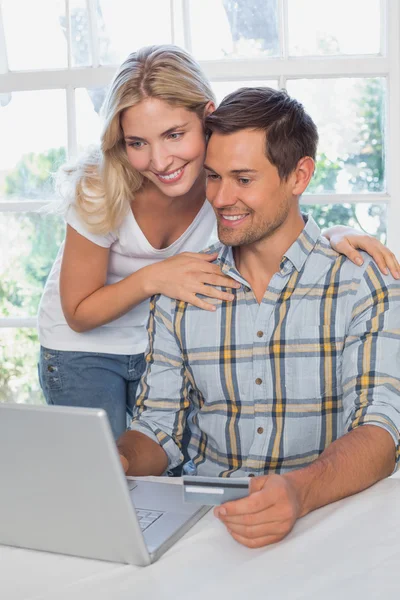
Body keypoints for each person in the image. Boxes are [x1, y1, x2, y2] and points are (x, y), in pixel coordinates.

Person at [38, 45, 399, 440]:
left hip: (154, 341)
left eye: (174, 135)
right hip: (81, 349)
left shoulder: (217, 176)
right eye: (137, 142)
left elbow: (276, 205)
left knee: (161, 462)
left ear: (206, 116)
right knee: (99, 472)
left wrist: (335, 235)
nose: (160, 161)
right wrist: (154, 278)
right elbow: (77, 312)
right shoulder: (101, 186)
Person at [117, 86, 400, 549]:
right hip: (209, 524)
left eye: (243, 179)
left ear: (299, 175)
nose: (221, 198)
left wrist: (298, 490)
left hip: (328, 519)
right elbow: (158, 427)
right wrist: (116, 459)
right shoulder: (181, 289)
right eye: (212, 177)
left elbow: (380, 430)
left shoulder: (361, 281)